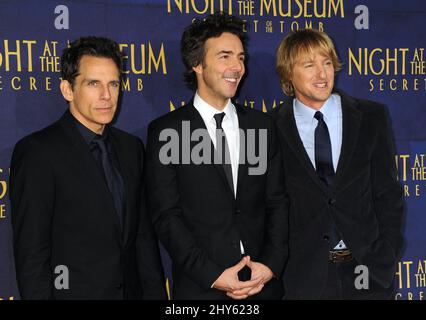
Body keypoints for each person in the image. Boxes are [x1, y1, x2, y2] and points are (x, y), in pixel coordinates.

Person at [9, 36, 167, 300]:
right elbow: (32, 255)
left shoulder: (131, 148)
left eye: (113, 84)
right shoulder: (38, 152)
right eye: (93, 83)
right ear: (67, 90)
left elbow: (142, 241)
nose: (107, 96)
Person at [145, 12, 287, 300]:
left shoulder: (261, 126)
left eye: (241, 57)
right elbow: (166, 216)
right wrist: (213, 275)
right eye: (225, 56)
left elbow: (277, 202)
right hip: (201, 290)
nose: (237, 67)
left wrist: (270, 265)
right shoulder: (167, 131)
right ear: (197, 63)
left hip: (263, 287)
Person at [272, 29, 404, 299]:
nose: (322, 75)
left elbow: (388, 194)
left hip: (368, 275)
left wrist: (385, 256)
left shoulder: (371, 117)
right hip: (302, 279)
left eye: (327, 63)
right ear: (288, 74)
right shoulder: (271, 127)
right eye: (309, 65)